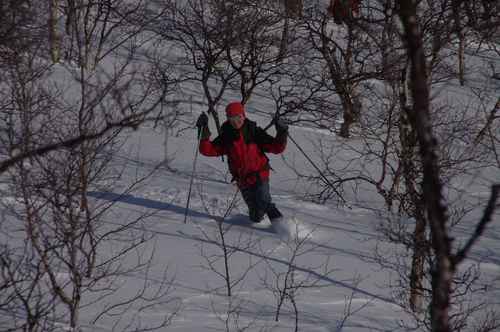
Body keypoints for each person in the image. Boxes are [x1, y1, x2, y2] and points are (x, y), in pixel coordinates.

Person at [196, 101, 288, 224]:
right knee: (256, 214)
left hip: (260, 174)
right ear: (228, 119)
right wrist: (203, 131)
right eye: (232, 118)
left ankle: (284, 228)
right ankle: (255, 230)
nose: (236, 121)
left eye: (238, 116)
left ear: (243, 116)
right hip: (243, 180)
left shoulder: (254, 132)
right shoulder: (226, 136)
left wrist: (282, 131)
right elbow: (207, 150)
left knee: (265, 202)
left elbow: (277, 148)